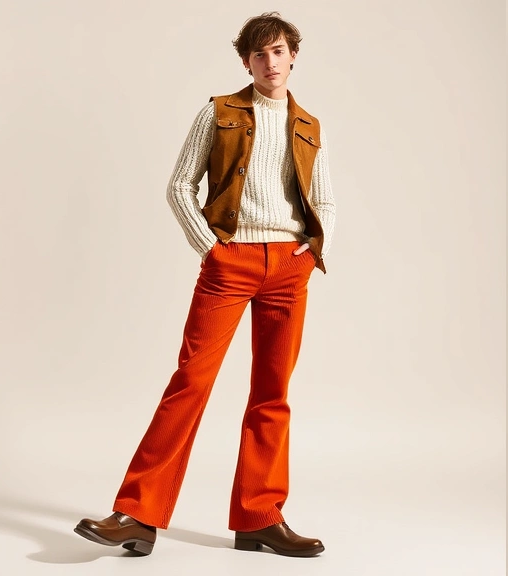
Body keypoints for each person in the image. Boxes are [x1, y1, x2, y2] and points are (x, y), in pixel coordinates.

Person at [74, 12, 335, 558]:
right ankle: (137, 515)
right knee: (190, 382)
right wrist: (213, 250)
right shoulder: (218, 113)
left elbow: (325, 199)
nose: (270, 62)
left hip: (289, 267)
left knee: (272, 394)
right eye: (259, 54)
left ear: (293, 57)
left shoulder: (309, 124)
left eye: (279, 51)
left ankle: (260, 517)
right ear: (246, 61)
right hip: (231, 261)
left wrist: (311, 252)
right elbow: (179, 186)